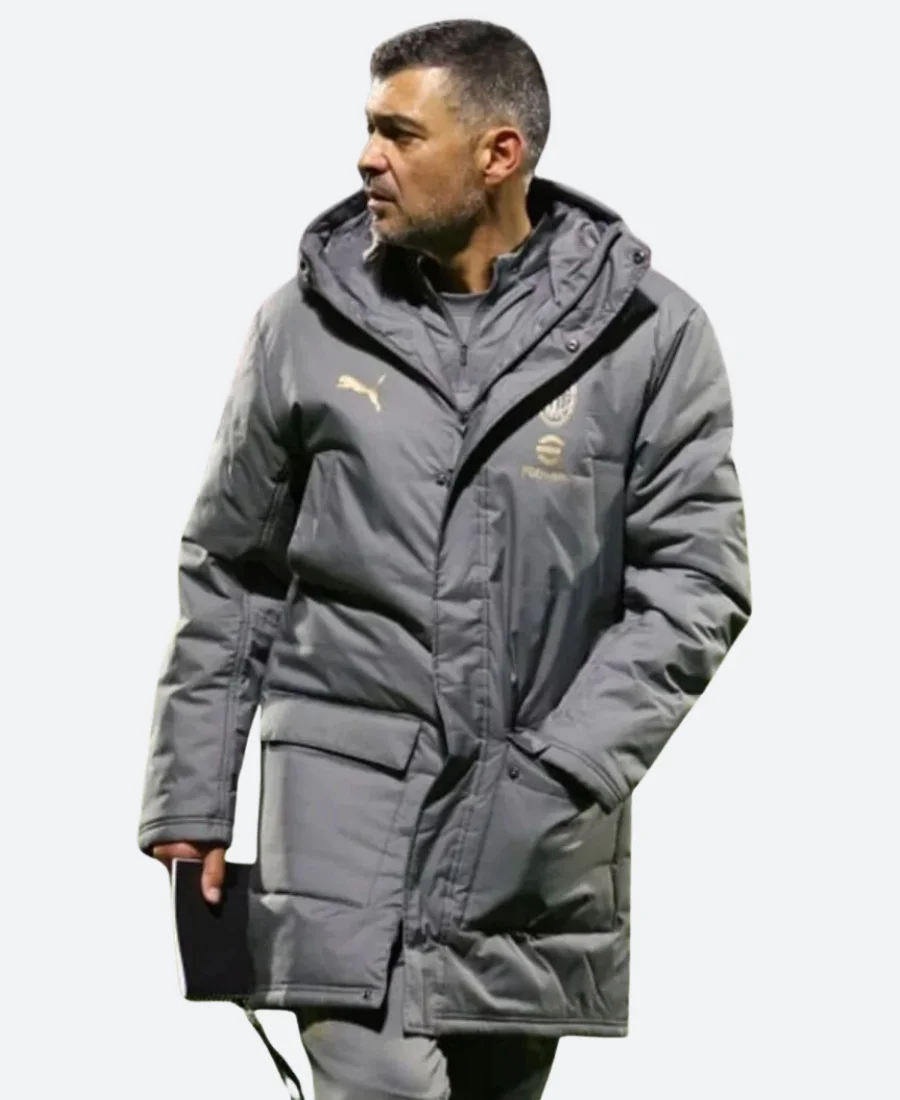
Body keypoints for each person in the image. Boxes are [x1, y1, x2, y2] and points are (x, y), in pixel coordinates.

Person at [138, 18, 751, 1100]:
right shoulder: (303, 326)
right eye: (368, 128)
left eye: (399, 133)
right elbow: (233, 567)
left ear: (499, 152)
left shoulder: (648, 337)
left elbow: (696, 581)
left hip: (531, 830)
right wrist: (195, 796)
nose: (366, 157)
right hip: (340, 809)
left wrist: (564, 769)